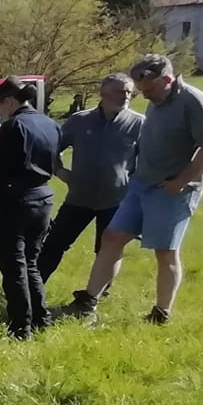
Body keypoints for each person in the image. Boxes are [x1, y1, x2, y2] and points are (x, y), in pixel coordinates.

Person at [65, 54, 203, 325]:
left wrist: (181, 181)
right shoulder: (157, 100)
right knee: (112, 237)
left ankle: (161, 313)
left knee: (165, 252)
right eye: (141, 91)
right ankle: (88, 301)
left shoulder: (193, 101)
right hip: (141, 184)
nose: (144, 96)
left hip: (173, 189)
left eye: (148, 90)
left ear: (167, 79)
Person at [41, 74, 140, 290]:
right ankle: (33, 287)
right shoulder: (80, 120)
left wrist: (133, 185)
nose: (126, 96)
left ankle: (95, 296)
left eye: (129, 92)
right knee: (54, 244)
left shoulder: (138, 124)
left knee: (107, 250)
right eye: (120, 91)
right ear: (103, 94)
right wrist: (58, 170)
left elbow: (148, 161)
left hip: (116, 201)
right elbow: (51, 147)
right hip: (79, 197)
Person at [0, 77, 59, 338]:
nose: (0, 115)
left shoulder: (14, 126)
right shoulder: (50, 124)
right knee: (31, 262)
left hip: (15, 200)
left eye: (0, 108)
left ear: (9, 101)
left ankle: (20, 326)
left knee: (14, 266)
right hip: (43, 197)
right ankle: (41, 318)